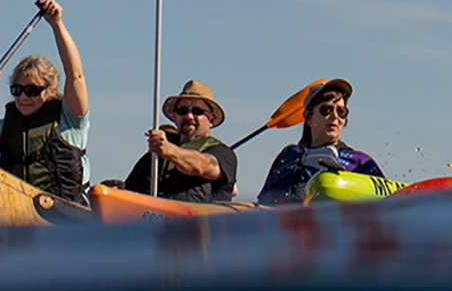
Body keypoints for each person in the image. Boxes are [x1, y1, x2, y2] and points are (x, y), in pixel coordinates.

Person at [0, 0, 90, 202]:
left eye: (32, 90)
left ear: (51, 90)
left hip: (63, 217)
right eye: (17, 90)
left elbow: (75, 75)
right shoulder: (8, 125)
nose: (23, 97)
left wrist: (57, 24)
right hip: (18, 215)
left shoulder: (70, 119)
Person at [257, 79, 385, 204]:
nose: (335, 116)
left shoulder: (359, 162)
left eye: (341, 111)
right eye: (327, 109)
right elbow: (261, 203)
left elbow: (388, 206)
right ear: (308, 118)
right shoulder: (287, 156)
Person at [121, 79, 238, 202]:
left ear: (211, 119)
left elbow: (202, 165)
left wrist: (168, 150)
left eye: (197, 111)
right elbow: (127, 194)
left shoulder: (224, 154)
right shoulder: (155, 157)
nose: (189, 116)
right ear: (175, 117)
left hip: (200, 220)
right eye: (182, 111)